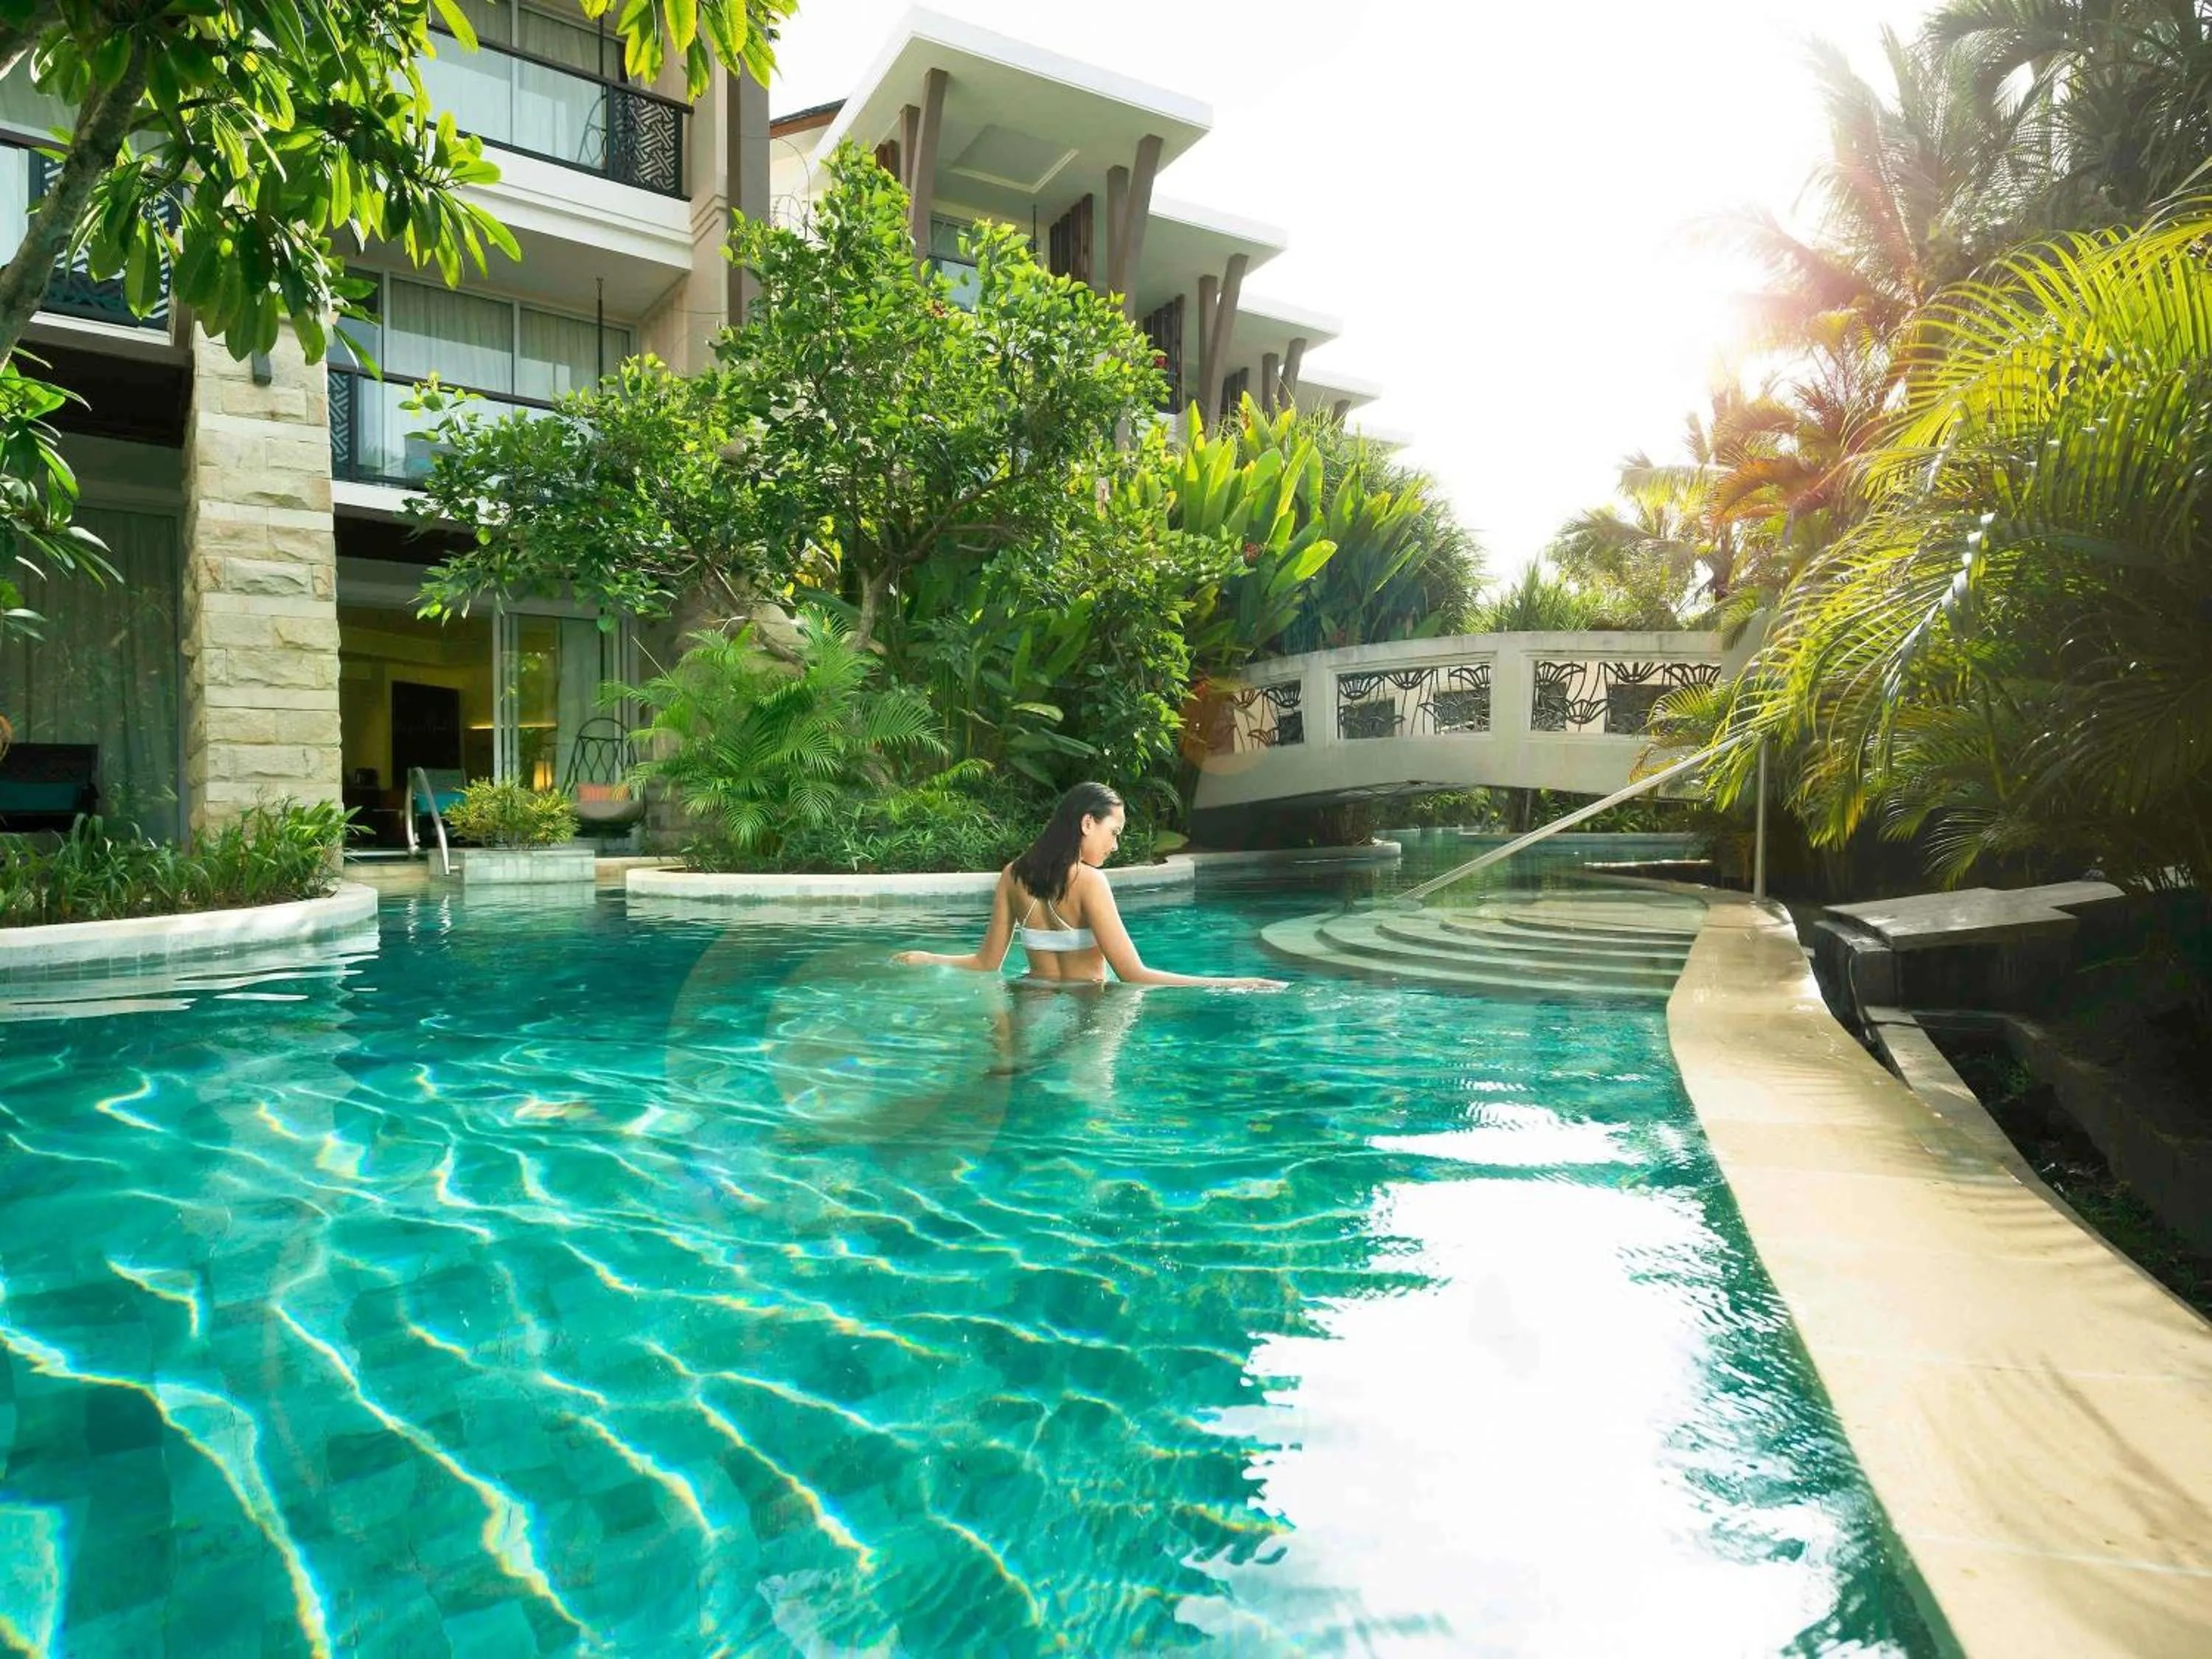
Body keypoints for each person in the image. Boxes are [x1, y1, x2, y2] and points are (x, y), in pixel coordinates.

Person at [891, 782, 1287, 990]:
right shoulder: (1091, 882)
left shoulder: (1013, 875)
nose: (1115, 845)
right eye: (1112, 832)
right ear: (1086, 823)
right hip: (1087, 1009)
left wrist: (929, 958)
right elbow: (1132, 974)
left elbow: (985, 965)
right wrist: (1233, 983)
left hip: (1028, 1000)